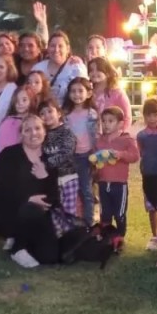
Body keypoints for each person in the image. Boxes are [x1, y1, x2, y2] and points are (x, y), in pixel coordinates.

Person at [0, 115, 62, 268]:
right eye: (27, 130)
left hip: (39, 215)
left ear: (44, 132)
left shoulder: (49, 160)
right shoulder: (9, 155)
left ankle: (25, 242)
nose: (33, 133)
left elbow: (54, 198)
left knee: (50, 257)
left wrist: (44, 177)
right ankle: (17, 248)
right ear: (21, 134)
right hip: (11, 211)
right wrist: (27, 198)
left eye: (37, 128)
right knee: (29, 208)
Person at [94, 106, 140, 241]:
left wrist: (120, 154)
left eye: (110, 121)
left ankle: (119, 238)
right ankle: (106, 237)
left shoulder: (126, 139)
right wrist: (95, 163)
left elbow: (135, 156)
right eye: (103, 121)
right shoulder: (99, 140)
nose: (106, 124)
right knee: (105, 213)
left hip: (119, 184)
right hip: (103, 182)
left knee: (119, 213)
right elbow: (95, 158)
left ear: (120, 123)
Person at [63, 77, 99, 225]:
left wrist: (95, 155)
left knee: (86, 191)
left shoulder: (92, 114)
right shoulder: (65, 114)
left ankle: (89, 222)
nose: (76, 94)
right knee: (70, 190)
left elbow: (97, 135)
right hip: (70, 157)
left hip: (87, 157)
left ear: (88, 93)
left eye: (80, 91)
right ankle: (71, 221)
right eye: (73, 91)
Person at [39, 98, 80, 223]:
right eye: (42, 113)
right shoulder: (42, 134)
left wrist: (45, 165)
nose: (46, 115)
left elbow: (66, 153)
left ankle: (70, 238)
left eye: (50, 111)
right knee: (54, 212)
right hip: (51, 181)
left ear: (59, 113)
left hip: (68, 178)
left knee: (68, 212)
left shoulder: (66, 132)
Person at [136, 97, 157, 251]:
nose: (152, 118)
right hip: (148, 175)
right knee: (151, 207)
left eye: (156, 114)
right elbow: (142, 153)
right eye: (148, 115)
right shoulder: (141, 135)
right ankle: (155, 236)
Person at [32, 31, 89, 104]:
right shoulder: (37, 68)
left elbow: (84, 92)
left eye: (60, 46)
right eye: (52, 46)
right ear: (48, 48)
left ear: (67, 49)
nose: (56, 50)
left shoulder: (77, 67)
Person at [0, 87, 37, 161]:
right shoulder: (8, 122)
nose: (20, 103)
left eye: (24, 100)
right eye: (17, 101)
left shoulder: (36, 121)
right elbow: (1, 147)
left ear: (31, 101)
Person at [88, 57, 133, 133]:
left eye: (99, 70)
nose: (94, 73)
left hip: (112, 138)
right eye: (91, 70)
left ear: (107, 73)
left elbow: (127, 117)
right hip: (91, 136)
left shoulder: (117, 93)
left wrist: (121, 133)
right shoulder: (87, 92)